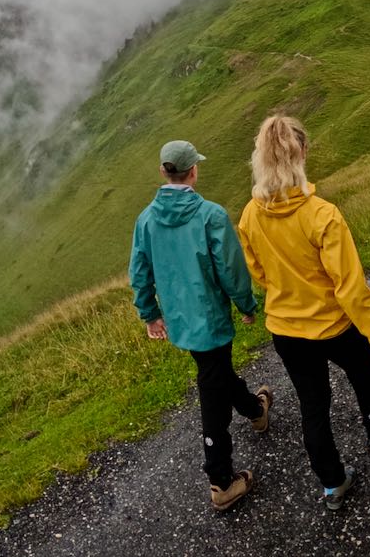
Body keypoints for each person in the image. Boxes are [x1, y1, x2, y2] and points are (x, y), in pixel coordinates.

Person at [237, 115, 370, 511]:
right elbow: (350, 285)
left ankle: (333, 482)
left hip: (286, 330)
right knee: (366, 381)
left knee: (313, 405)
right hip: (335, 325)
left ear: (261, 158)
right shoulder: (323, 214)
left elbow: (259, 274)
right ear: (302, 153)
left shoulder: (249, 215)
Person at [128, 139, 273, 512]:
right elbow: (230, 268)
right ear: (193, 171)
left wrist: (150, 314)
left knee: (216, 371)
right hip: (210, 318)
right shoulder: (210, 215)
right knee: (212, 390)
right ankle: (221, 481)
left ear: (163, 172)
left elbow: (139, 271)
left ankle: (255, 410)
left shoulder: (146, 220)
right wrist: (246, 305)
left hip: (180, 320)